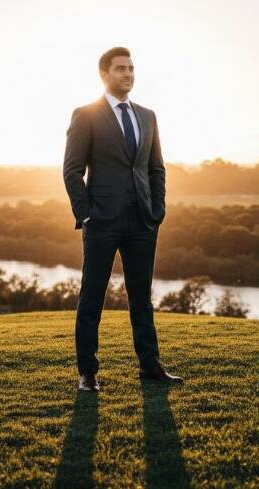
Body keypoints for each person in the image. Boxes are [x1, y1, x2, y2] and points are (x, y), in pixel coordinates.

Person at [62, 46, 183, 392]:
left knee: (141, 296)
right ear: (105, 74)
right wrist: (86, 214)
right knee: (92, 295)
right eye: (120, 69)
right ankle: (87, 372)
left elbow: (156, 167)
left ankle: (150, 366)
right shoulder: (85, 115)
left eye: (131, 68)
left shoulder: (147, 116)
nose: (128, 74)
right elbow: (72, 171)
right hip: (102, 221)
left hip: (143, 221)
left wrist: (157, 209)